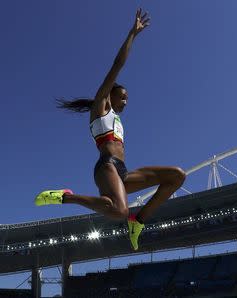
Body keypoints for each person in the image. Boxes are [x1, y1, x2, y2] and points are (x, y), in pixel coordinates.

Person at [35, 8, 186, 251]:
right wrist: (132, 34)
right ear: (110, 95)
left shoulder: (116, 119)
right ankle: (66, 196)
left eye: (127, 98)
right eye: (122, 97)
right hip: (106, 167)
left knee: (177, 176)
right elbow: (117, 65)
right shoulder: (100, 107)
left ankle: (139, 221)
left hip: (122, 173)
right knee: (118, 210)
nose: (125, 101)